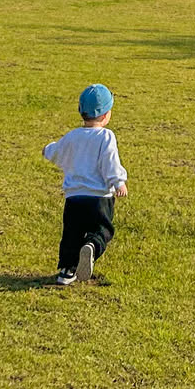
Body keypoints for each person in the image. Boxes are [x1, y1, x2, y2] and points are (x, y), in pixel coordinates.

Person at [43, 83, 128, 286]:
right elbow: (110, 162)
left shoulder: (73, 136)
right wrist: (118, 182)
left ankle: (66, 271)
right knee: (102, 230)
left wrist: (47, 150)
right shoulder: (106, 136)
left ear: (80, 110)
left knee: (71, 235)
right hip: (99, 198)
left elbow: (57, 151)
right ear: (106, 115)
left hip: (74, 198)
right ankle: (92, 246)